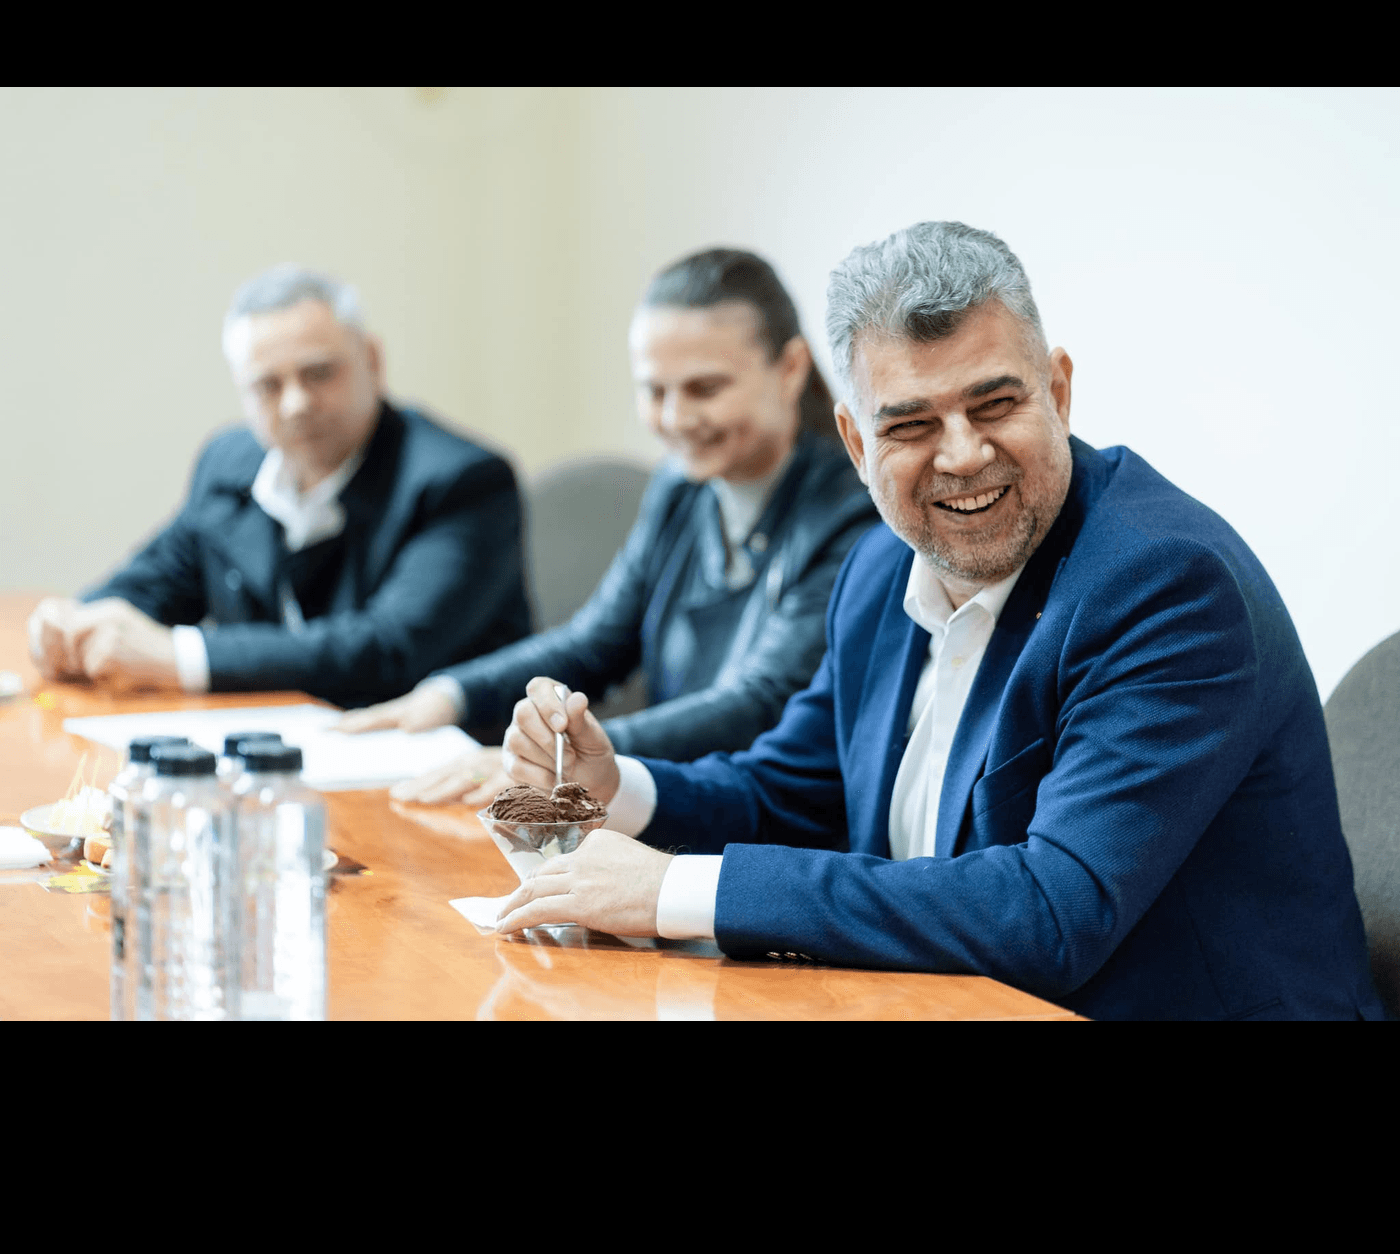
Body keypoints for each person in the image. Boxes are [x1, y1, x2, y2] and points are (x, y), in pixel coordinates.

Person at [488, 221, 1383, 1022]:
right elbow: (793, 791)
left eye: (995, 404)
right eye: (911, 424)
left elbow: (1053, 910)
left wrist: (676, 890)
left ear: (1059, 392)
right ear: (855, 442)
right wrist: (617, 788)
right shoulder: (879, 568)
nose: (962, 454)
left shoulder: (1165, 586)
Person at [341, 248, 878, 803]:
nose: (675, 418)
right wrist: (449, 695)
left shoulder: (855, 515)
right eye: (655, 390)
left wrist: (573, 760)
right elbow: (596, 642)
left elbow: (760, 703)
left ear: (790, 369)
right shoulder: (680, 487)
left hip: (761, 818)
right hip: (673, 803)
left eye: (705, 389)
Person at [28, 266, 530, 708]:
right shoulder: (230, 463)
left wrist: (177, 657)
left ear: (373, 361)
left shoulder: (462, 481)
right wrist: (76, 625)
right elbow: (158, 582)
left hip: (444, 757)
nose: (296, 404)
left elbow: (390, 648)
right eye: (268, 385)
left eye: (319, 374)